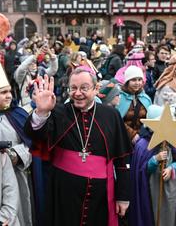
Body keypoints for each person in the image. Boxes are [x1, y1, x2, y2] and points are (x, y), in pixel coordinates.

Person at [24, 69, 132, 226]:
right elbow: (35, 135)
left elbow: (122, 160)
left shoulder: (111, 115)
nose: (78, 93)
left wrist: (123, 196)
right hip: (63, 197)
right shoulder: (58, 112)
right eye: (73, 88)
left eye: (84, 88)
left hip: (101, 198)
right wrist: (42, 111)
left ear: (96, 88)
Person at [0, 63, 34, 226]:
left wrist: (15, 155)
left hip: (16, 177)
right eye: (3, 92)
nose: (9, 96)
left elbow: (32, 145)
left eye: (10, 92)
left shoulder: (18, 115)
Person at [130, 105, 176, 226]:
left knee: (170, 214)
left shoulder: (170, 142)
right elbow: (141, 171)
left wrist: (171, 168)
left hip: (170, 189)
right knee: (153, 213)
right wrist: (154, 160)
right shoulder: (142, 145)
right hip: (152, 190)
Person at [117, 65, 152, 144]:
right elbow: (117, 121)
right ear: (127, 81)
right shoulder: (119, 98)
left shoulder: (146, 98)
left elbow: (150, 120)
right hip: (124, 140)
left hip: (143, 139)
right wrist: (132, 135)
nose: (137, 83)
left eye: (139, 80)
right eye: (133, 80)